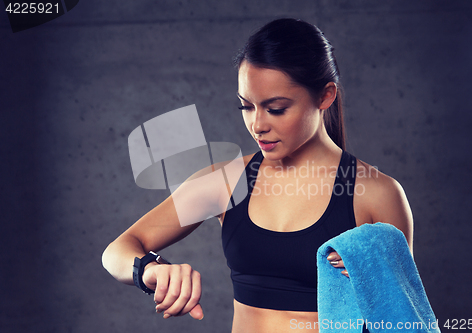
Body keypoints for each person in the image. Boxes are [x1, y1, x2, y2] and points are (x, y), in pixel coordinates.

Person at [102, 18, 413, 333]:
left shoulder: (377, 194)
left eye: (276, 108)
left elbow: (401, 319)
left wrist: (373, 278)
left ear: (325, 96)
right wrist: (149, 269)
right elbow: (119, 249)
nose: (258, 125)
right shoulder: (225, 182)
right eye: (246, 107)